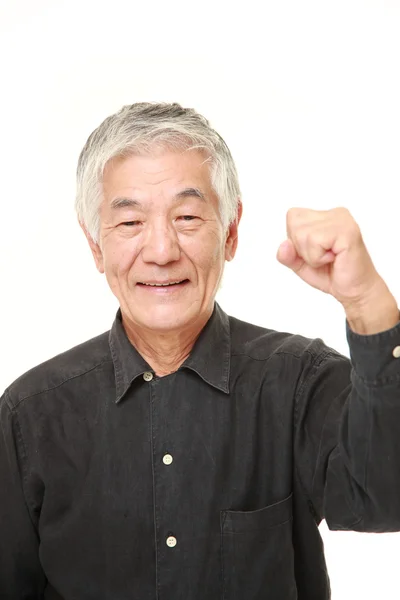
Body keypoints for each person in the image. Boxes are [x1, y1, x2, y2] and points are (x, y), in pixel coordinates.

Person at [1, 102, 399, 600]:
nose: (162, 250)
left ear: (230, 232)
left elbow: (384, 498)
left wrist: (367, 304)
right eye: (129, 223)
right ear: (95, 245)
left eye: (188, 216)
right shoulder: (30, 414)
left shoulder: (299, 383)